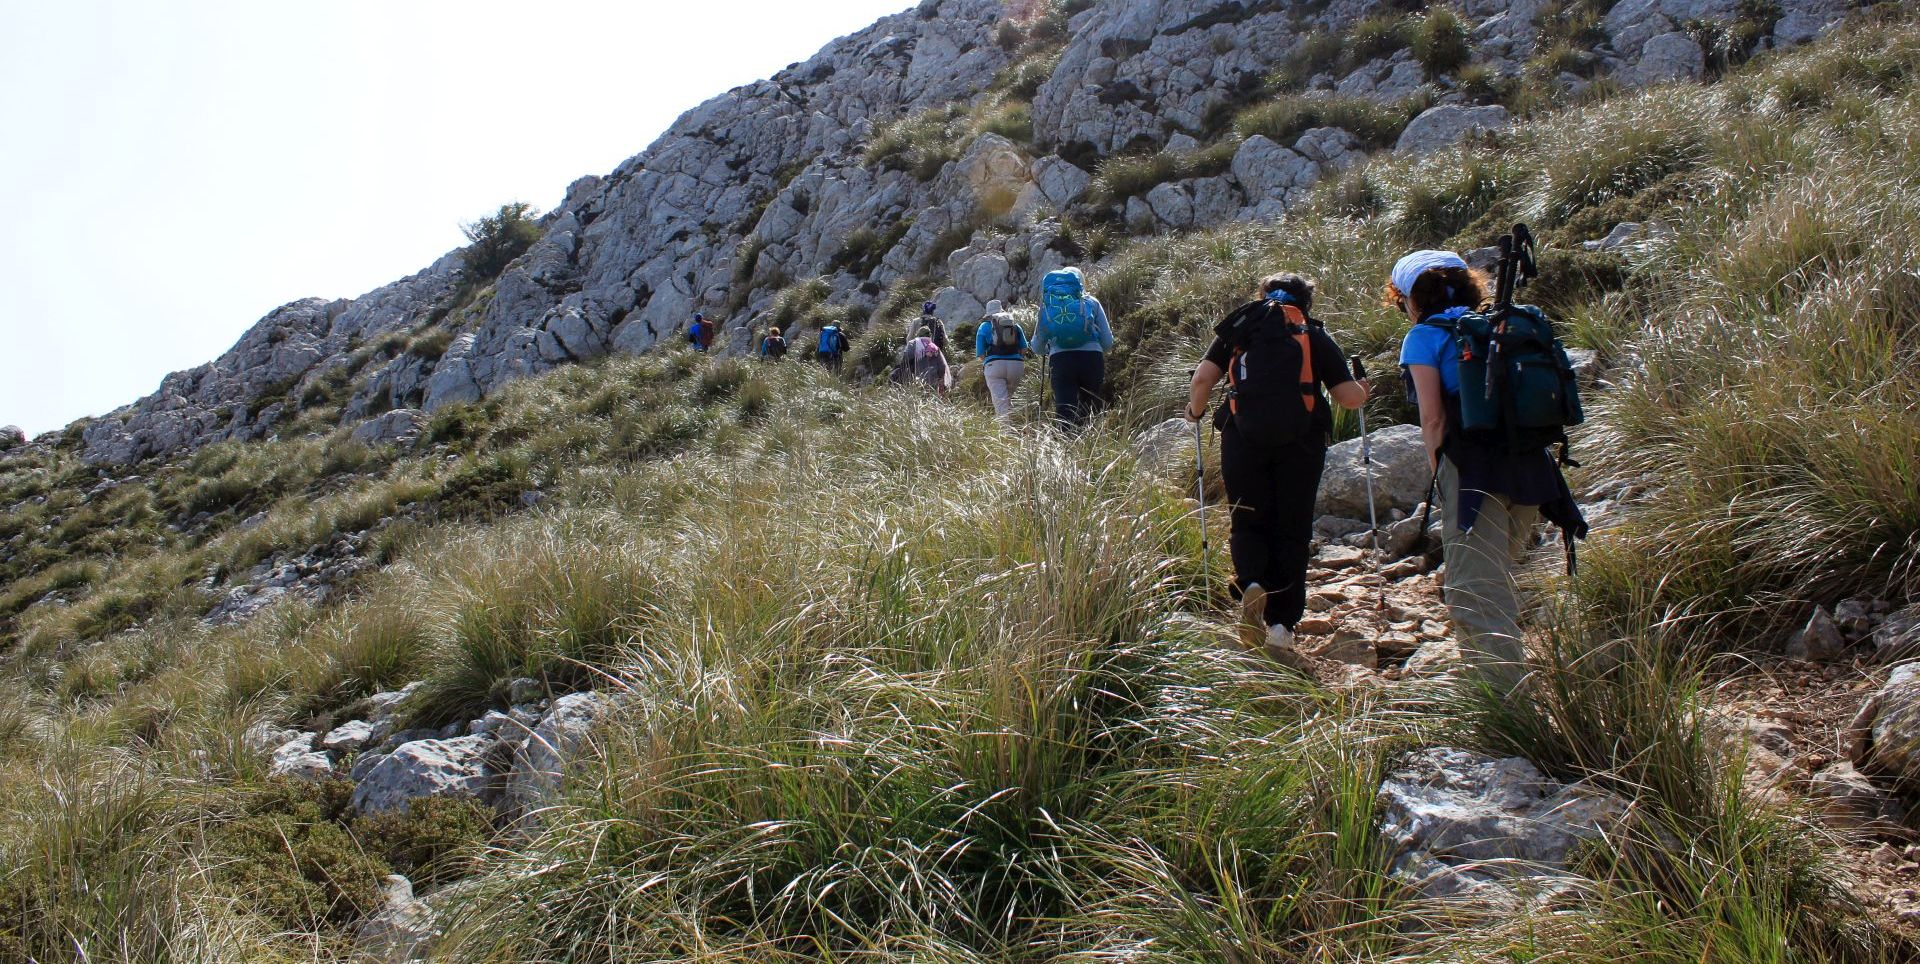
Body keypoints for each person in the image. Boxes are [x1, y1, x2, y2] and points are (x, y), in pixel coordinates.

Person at [1391, 250, 1582, 695]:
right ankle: (1508, 681)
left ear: (1410, 298)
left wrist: (1444, 476)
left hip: (1475, 471)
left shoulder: (1425, 335)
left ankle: (1504, 709)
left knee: (1475, 589)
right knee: (1500, 572)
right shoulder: (1502, 325)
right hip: (1534, 468)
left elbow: (1434, 420)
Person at [1185, 273, 1369, 665]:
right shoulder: (1312, 335)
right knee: (1292, 530)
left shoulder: (1242, 326)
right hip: (1301, 443)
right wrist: (1366, 388)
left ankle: (1252, 582)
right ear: (1307, 303)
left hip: (1242, 438)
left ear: (1262, 296)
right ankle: (1282, 628)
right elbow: (1349, 398)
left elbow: (1202, 378)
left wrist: (1195, 412)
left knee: (1248, 521)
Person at [1031, 267, 1114, 429]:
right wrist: (1094, 347)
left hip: (1060, 360)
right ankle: (1090, 447)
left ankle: (1066, 448)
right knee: (1090, 407)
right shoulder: (1092, 302)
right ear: (1081, 282)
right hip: (1092, 360)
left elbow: (1036, 346)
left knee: (1065, 409)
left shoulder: (1048, 305)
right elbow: (1108, 341)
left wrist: (1050, 348)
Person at [974, 299, 1028, 420]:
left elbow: (980, 353)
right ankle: (1016, 426)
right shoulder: (1015, 326)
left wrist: (988, 363)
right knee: (1008, 399)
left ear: (988, 314)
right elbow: (1024, 348)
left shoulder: (984, 326)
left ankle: (1006, 436)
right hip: (1016, 365)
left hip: (994, 366)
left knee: (1001, 404)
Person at [902, 326, 950, 395]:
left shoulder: (912, 344)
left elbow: (906, 358)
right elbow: (942, 366)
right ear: (930, 336)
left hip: (916, 379)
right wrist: (940, 379)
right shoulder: (935, 347)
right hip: (933, 380)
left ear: (918, 334)